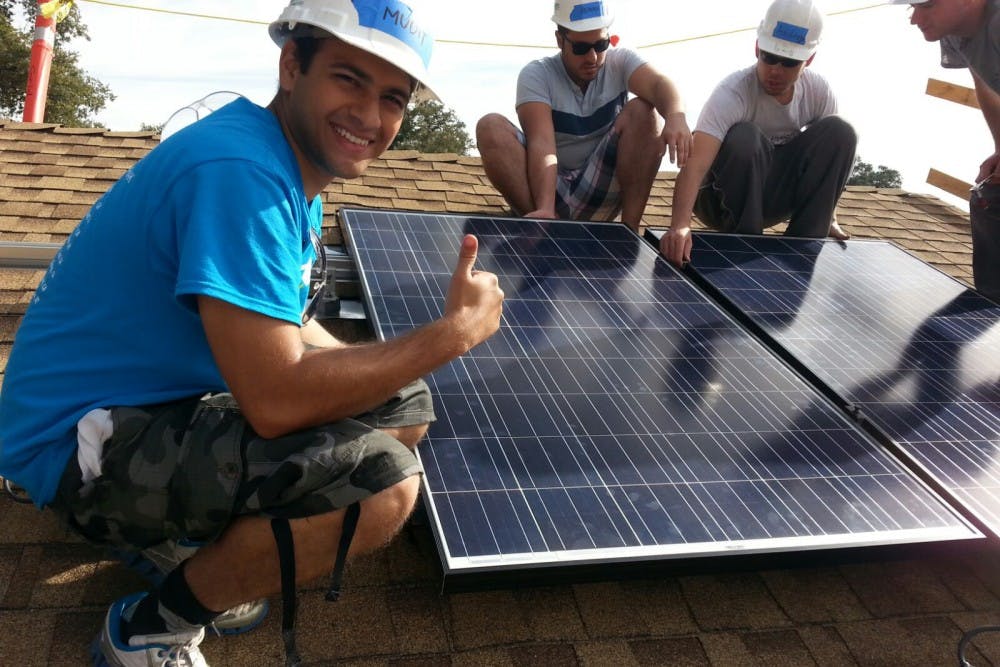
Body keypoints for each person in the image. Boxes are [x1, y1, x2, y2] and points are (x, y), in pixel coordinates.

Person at [0, 1, 504, 665]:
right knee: (383, 487)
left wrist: (385, 376)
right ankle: (148, 630)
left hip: (133, 403)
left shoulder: (281, 163)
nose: (370, 116)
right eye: (348, 79)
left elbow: (289, 321)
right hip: (72, 443)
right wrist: (452, 334)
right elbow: (275, 400)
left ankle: (187, 542)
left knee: (402, 404)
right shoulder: (240, 172)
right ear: (292, 65)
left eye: (392, 98)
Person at [660, 0, 858, 268]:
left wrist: (829, 215)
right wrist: (680, 225)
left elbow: (831, 162)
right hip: (718, 200)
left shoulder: (818, 92)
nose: (775, 70)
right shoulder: (733, 93)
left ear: (808, 60)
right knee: (746, 136)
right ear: (757, 48)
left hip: (772, 196)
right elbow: (695, 167)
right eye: (768, 57)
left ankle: (803, 248)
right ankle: (747, 244)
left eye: (789, 63)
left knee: (841, 131)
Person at [475, 0, 692, 233]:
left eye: (601, 45)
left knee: (645, 111)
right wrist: (545, 206)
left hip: (600, 188)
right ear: (560, 40)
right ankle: (544, 228)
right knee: (490, 127)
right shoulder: (537, 75)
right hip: (547, 186)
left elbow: (659, 84)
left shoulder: (620, 62)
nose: (592, 57)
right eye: (581, 48)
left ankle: (628, 233)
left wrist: (676, 116)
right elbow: (542, 143)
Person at [889, 0, 1000, 302]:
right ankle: (993, 309)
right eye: (912, 6)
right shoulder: (955, 32)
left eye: (926, 5)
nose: (915, 18)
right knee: (990, 198)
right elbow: (984, 84)